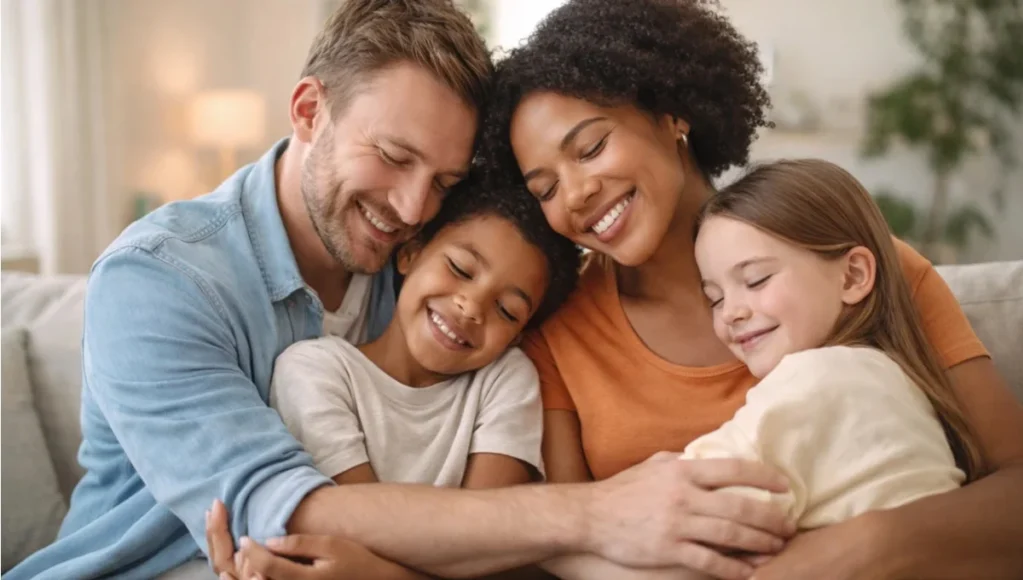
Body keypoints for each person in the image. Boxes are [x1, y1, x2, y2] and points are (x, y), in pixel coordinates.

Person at [9, 1, 796, 579]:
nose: (411, 206)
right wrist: (600, 513)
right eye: (392, 156)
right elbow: (290, 509)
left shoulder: (426, 272)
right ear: (310, 111)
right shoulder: (161, 279)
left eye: (444, 181)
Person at [476, 0, 1023, 577]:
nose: (576, 193)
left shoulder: (855, 266)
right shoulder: (558, 336)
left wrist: (863, 549)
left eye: (590, 148)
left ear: (672, 116)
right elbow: (569, 544)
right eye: (544, 189)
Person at [684, 159, 980, 532]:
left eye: (756, 280)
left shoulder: (815, 381)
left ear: (853, 275)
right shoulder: (893, 380)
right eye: (715, 298)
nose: (730, 313)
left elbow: (686, 505)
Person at [270, 177, 580, 490]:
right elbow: (357, 517)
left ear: (516, 336)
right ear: (410, 254)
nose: (472, 307)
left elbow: (487, 527)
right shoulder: (314, 371)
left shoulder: (505, 379)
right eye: (460, 269)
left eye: (507, 310)